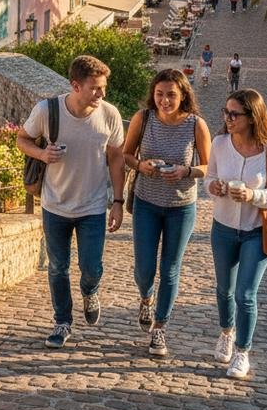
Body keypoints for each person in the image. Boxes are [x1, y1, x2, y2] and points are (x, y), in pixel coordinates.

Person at [16, 55, 125, 349]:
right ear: (76, 86)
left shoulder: (109, 115)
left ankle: (90, 291)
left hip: (93, 206)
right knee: (57, 267)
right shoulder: (47, 110)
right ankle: (62, 322)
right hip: (55, 205)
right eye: (95, 88)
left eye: (104, 87)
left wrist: (118, 200)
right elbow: (22, 139)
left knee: (91, 267)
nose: (101, 94)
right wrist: (42, 154)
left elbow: (117, 157)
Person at [205, 89, 267, 380]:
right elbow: (209, 178)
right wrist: (213, 187)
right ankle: (226, 333)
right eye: (226, 112)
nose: (228, 119)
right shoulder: (219, 143)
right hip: (223, 228)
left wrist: (254, 195)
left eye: (235, 114)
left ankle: (242, 351)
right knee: (224, 290)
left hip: (256, 231)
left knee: (245, 294)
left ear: (252, 117)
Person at [123, 69, 211, 357]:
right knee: (144, 268)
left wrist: (186, 171)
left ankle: (160, 327)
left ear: (183, 95)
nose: (165, 100)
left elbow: (209, 166)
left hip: (181, 207)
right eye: (160, 94)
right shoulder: (143, 118)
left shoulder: (196, 125)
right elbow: (126, 154)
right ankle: (146, 298)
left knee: (171, 268)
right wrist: (141, 166)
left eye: (171, 94)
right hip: (146, 202)